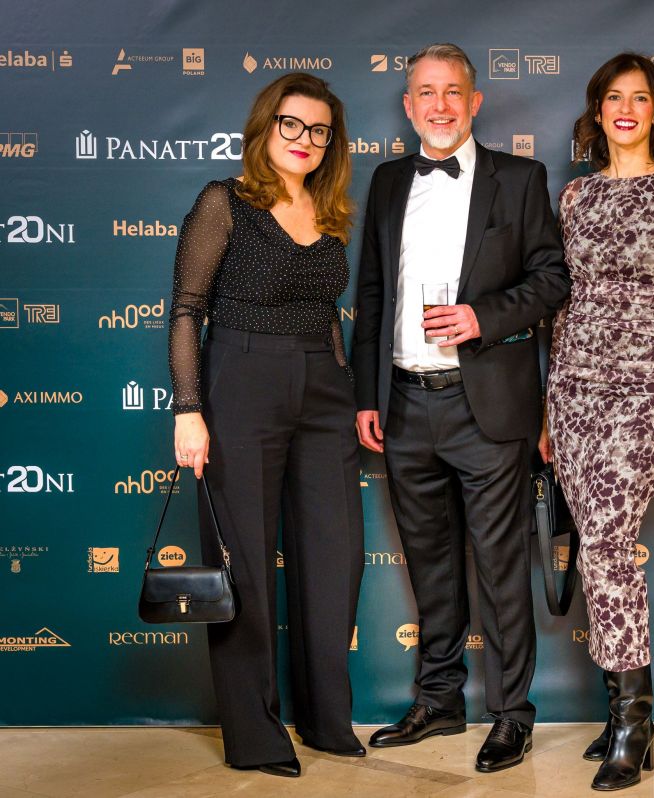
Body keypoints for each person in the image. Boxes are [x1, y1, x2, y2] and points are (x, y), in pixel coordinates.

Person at [351, 43, 570, 773]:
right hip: (404, 404)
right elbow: (373, 293)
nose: (440, 105)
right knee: (430, 566)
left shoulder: (520, 178)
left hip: (489, 409)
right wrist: (367, 395)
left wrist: (482, 317)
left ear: (475, 102)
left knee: (502, 569)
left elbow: (552, 280)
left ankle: (511, 715)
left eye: (453, 92)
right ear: (408, 106)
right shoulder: (387, 181)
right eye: (426, 92)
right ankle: (439, 699)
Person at [169, 72, 365, 778]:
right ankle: (255, 734)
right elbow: (187, 309)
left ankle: (326, 718)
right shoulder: (225, 201)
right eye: (293, 124)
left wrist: (342, 384)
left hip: (324, 386)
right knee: (245, 560)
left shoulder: (329, 209)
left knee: (336, 554)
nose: (305, 139)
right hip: (242, 381)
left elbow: (325, 313)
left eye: (319, 130)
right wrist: (188, 408)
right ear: (266, 127)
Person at [541, 52, 654, 792]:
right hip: (576, 392)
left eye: (639, 98)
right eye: (612, 97)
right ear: (597, 111)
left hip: (650, 393)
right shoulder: (575, 198)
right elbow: (563, 308)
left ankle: (632, 723)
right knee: (596, 550)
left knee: (609, 544)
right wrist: (550, 407)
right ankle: (622, 713)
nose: (625, 109)